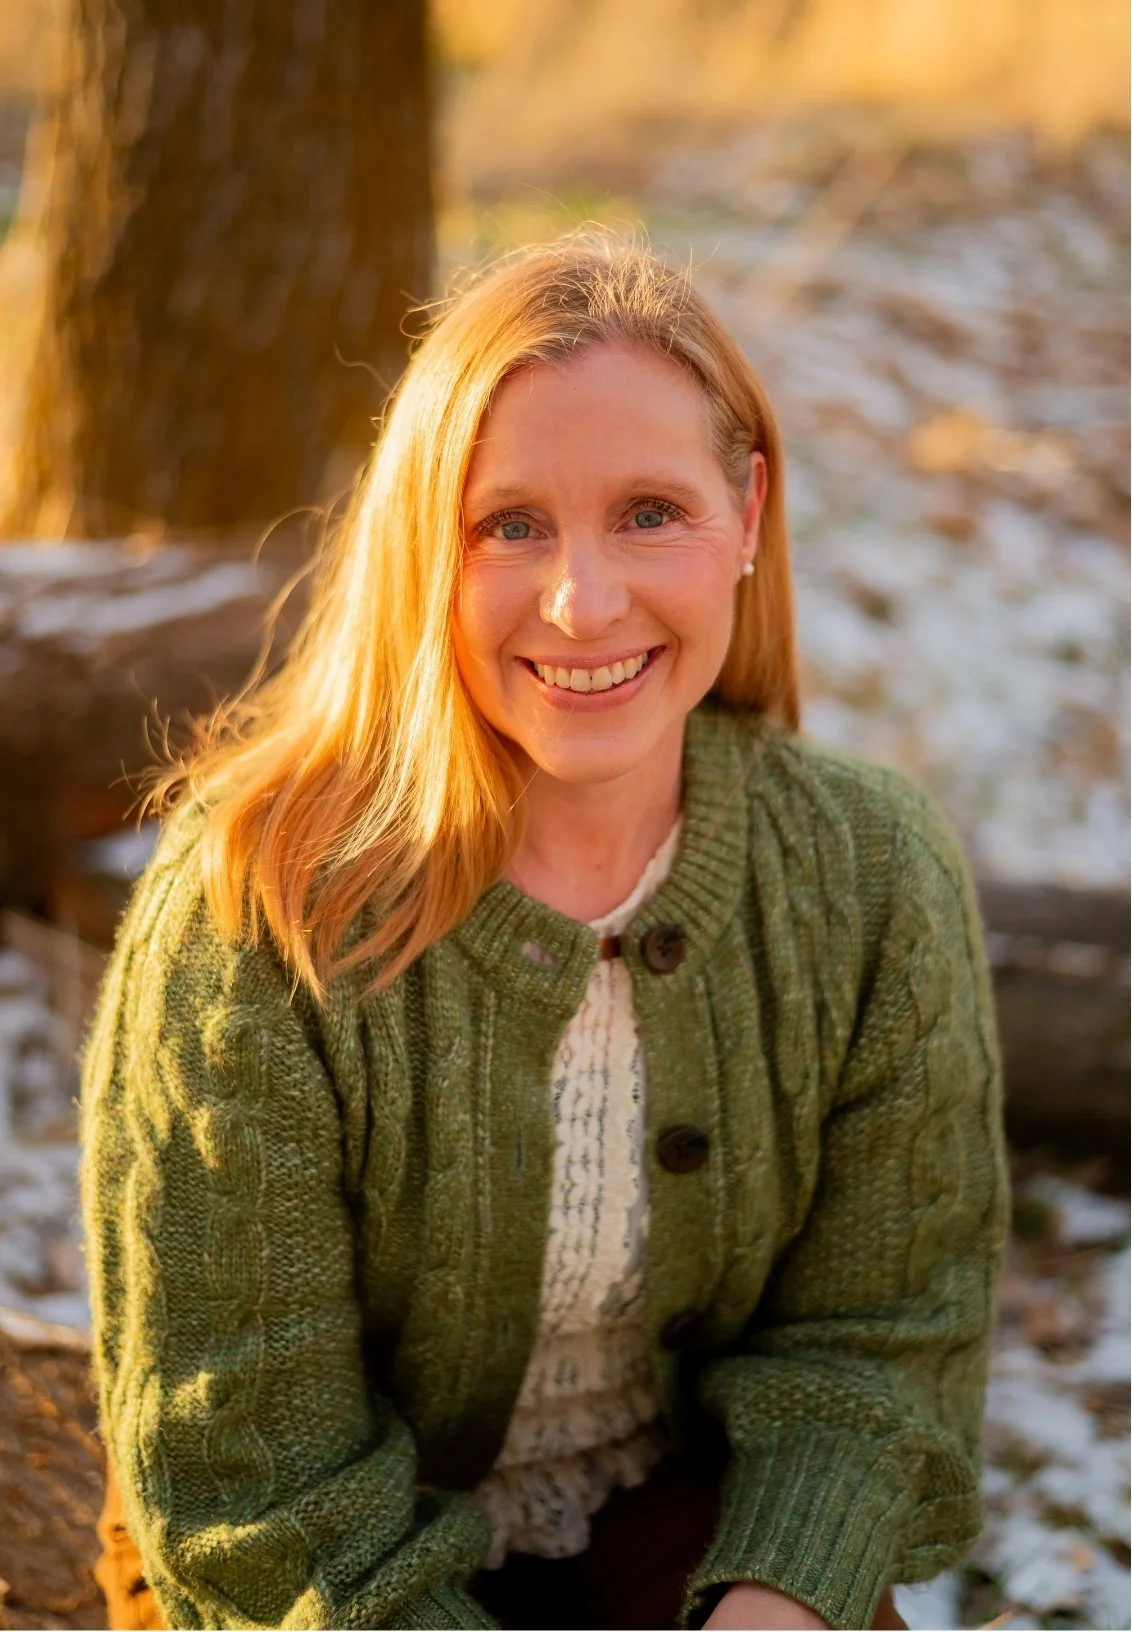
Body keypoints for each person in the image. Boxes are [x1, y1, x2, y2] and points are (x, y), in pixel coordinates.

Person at [82, 236, 1009, 1632]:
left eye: (650, 512)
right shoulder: (255, 916)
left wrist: (776, 1604)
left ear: (748, 512)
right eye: (510, 524)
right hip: (313, 1584)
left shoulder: (873, 876)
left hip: (677, 1526)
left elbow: (880, 1346)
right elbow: (252, 1484)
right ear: (425, 548)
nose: (583, 602)